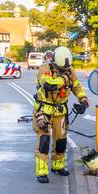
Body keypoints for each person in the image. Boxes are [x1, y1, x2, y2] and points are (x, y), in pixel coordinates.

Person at [32, 46, 90, 183]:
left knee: (61, 141)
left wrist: (83, 100)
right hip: (43, 111)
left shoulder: (70, 70)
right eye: (62, 69)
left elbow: (76, 86)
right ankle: (41, 172)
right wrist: (64, 78)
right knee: (44, 141)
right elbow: (49, 85)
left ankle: (57, 166)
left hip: (60, 112)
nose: (65, 71)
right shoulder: (44, 69)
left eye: (66, 69)